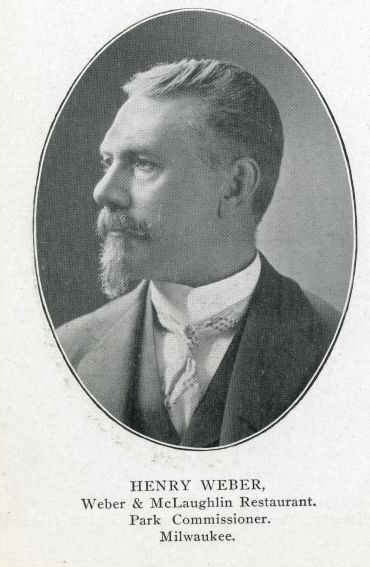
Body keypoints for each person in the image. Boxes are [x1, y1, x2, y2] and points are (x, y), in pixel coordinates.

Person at [57, 58, 339, 448]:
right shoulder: (68, 351)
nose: (103, 192)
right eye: (108, 162)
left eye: (143, 163)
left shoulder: (340, 348)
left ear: (236, 186)